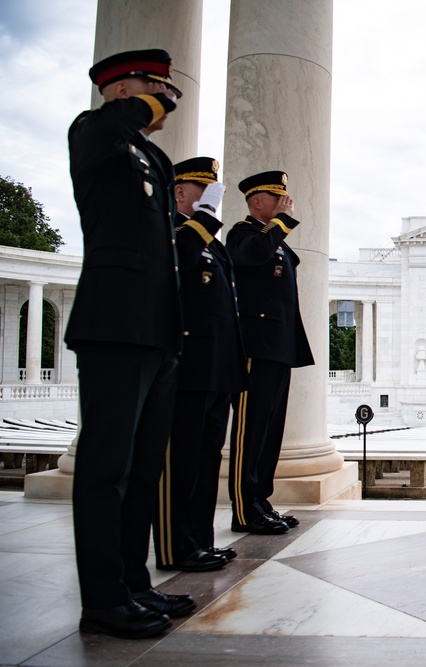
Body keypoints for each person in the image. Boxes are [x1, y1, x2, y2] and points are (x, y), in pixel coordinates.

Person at [66, 49, 195, 639]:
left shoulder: (150, 156)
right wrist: (141, 104)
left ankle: (134, 584)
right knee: (106, 469)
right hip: (114, 324)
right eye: (154, 87)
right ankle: (103, 599)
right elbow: (110, 126)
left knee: (142, 471)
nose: (166, 100)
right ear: (122, 89)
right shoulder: (95, 132)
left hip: (154, 330)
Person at [153, 157, 247, 572]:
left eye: (214, 193)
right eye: (202, 191)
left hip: (216, 369)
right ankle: (176, 546)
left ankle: (199, 540)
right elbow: (174, 268)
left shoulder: (210, 243)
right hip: (188, 367)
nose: (211, 199)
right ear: (179, 192)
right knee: (182, 461)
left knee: (207, 459)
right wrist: (204, 220)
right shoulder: (173, 233)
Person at [227, 171, 314, 535]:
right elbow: (253, 255)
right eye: (276, 197)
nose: (284, 202)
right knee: (250, 431)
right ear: (256, 201)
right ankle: (244, 509)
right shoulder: (242, 234)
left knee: (269, 431)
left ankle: (261, 500)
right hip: (254, 347)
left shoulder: (273, 241)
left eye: (284, 197)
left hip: (277, 347)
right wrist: (281, 223)